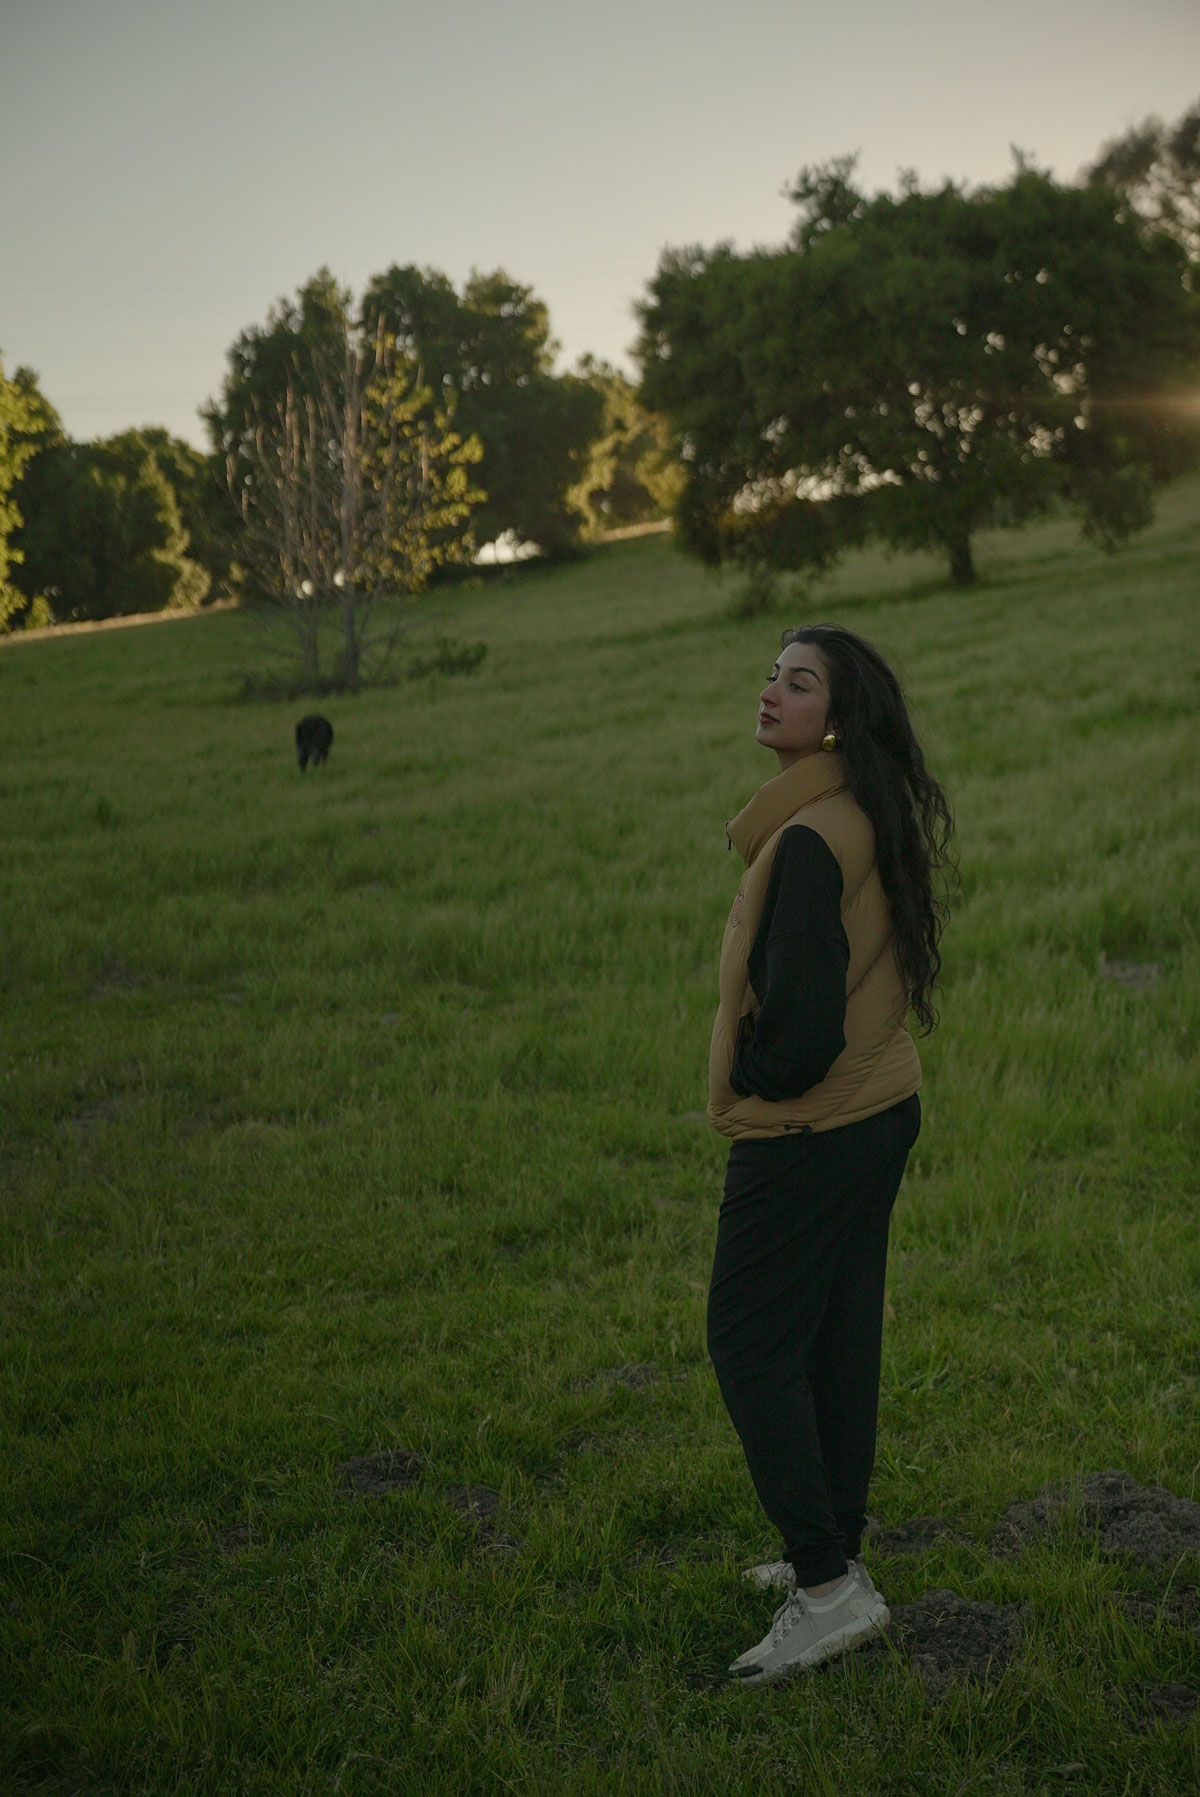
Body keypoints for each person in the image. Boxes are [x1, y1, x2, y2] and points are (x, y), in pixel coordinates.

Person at [706, 622, 953, 1687]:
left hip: (813, 1129)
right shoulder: (859, 809)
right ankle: (834, 1553)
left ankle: (825, 1590)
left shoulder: (807, 840)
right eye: (769, 674)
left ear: (836, 718)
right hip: (879, 1110)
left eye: (797, 683)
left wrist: (750, 1075)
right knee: (837, 1339)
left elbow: (800, 1033)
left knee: (752, 1344)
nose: (771, 692)